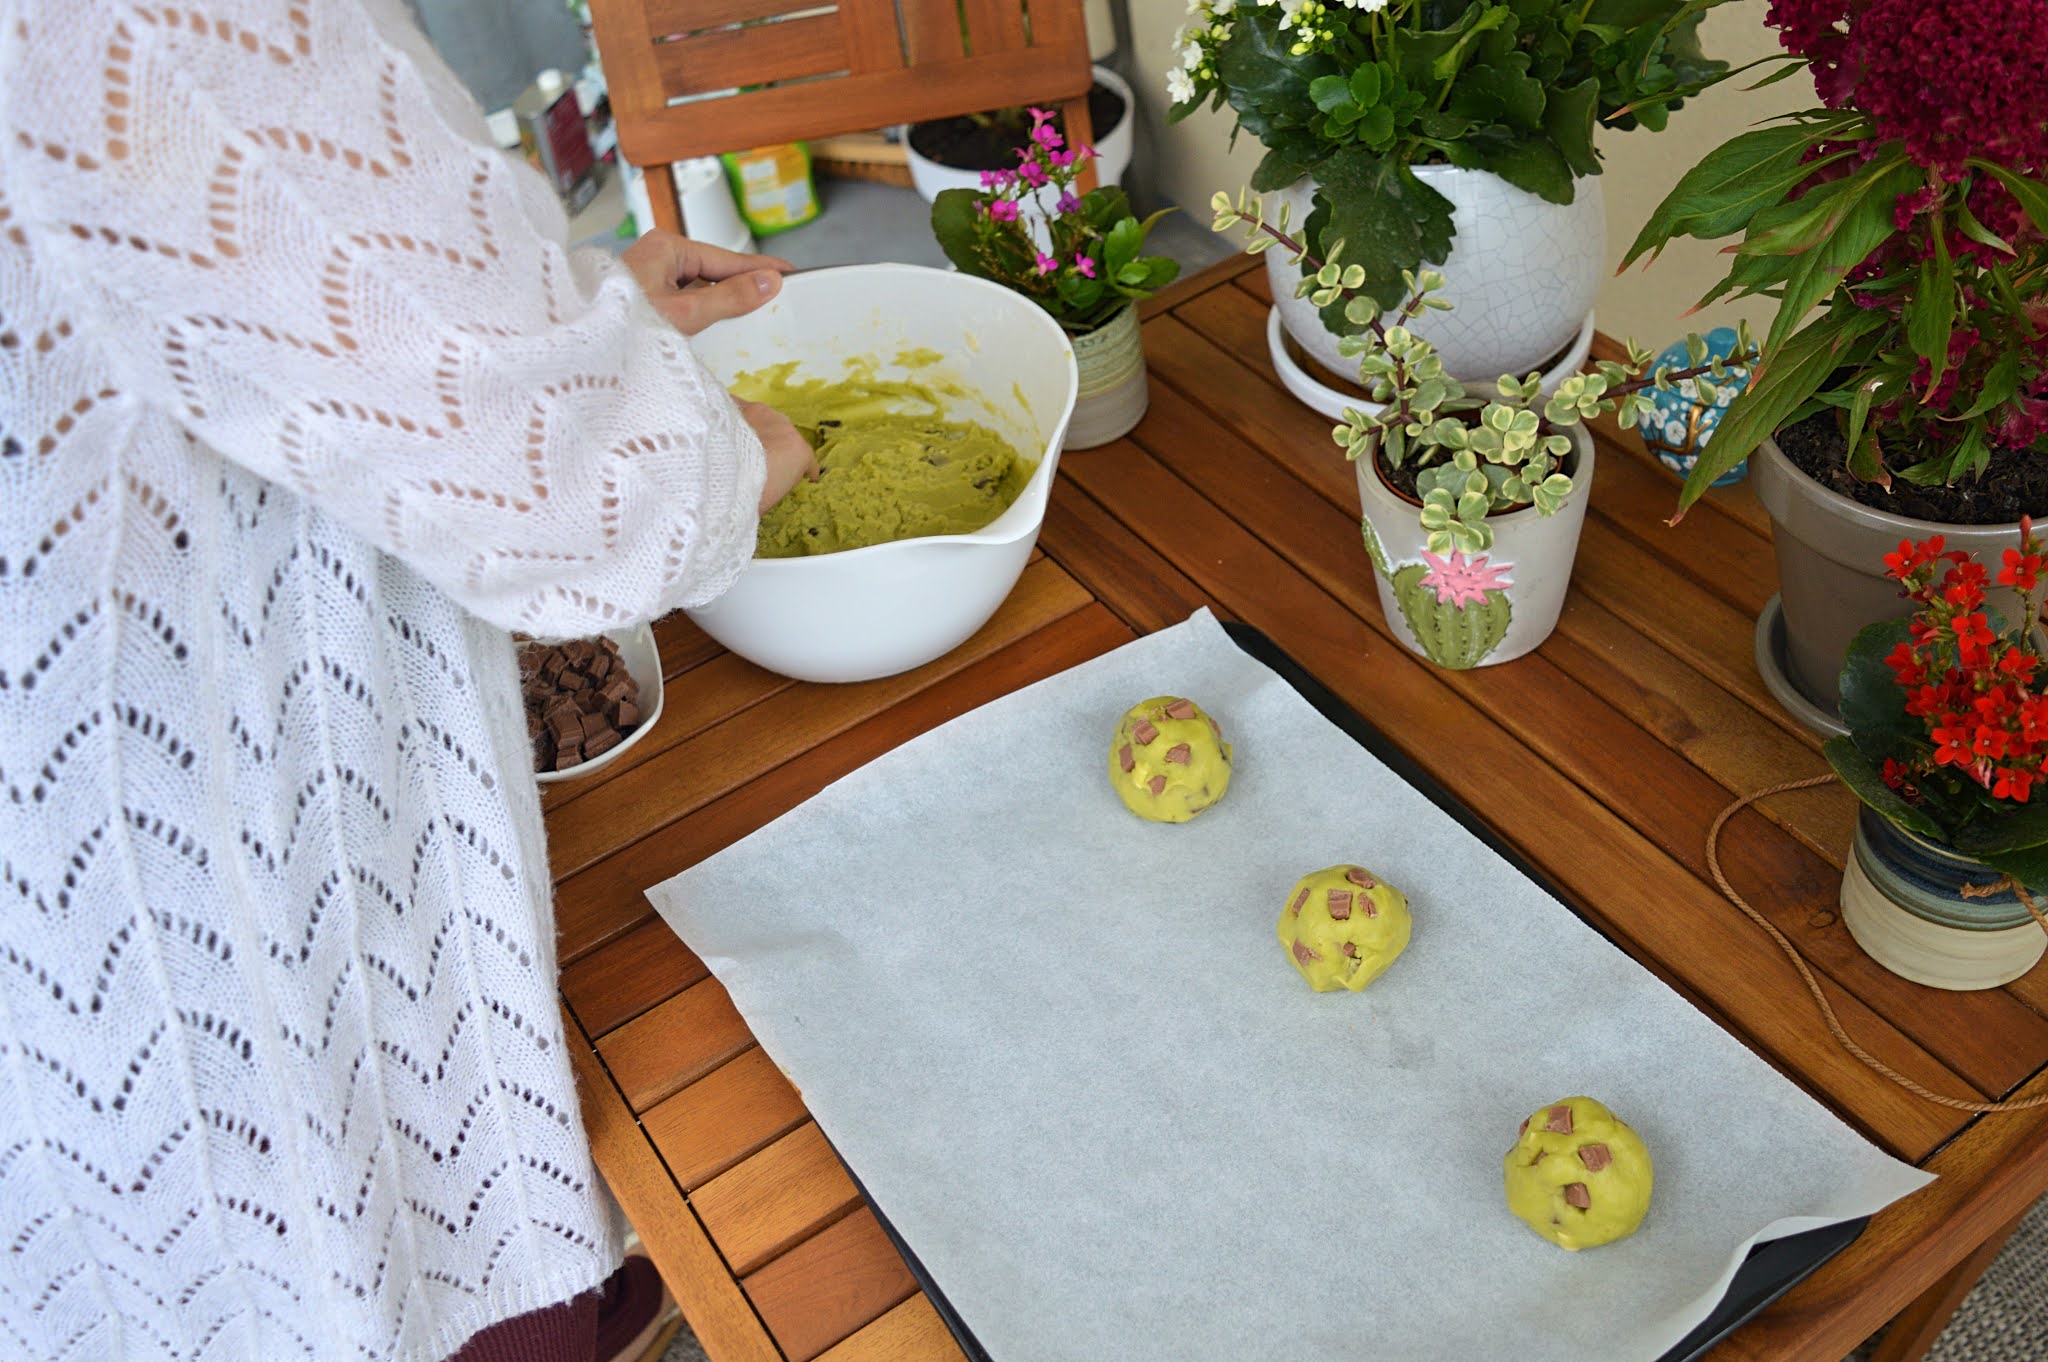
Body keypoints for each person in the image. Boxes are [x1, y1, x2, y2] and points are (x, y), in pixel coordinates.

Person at [0, 1, 815, 1357]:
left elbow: (214, 287)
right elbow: (592, 497)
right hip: (219, 929)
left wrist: (566, 307)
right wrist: (706, 452)